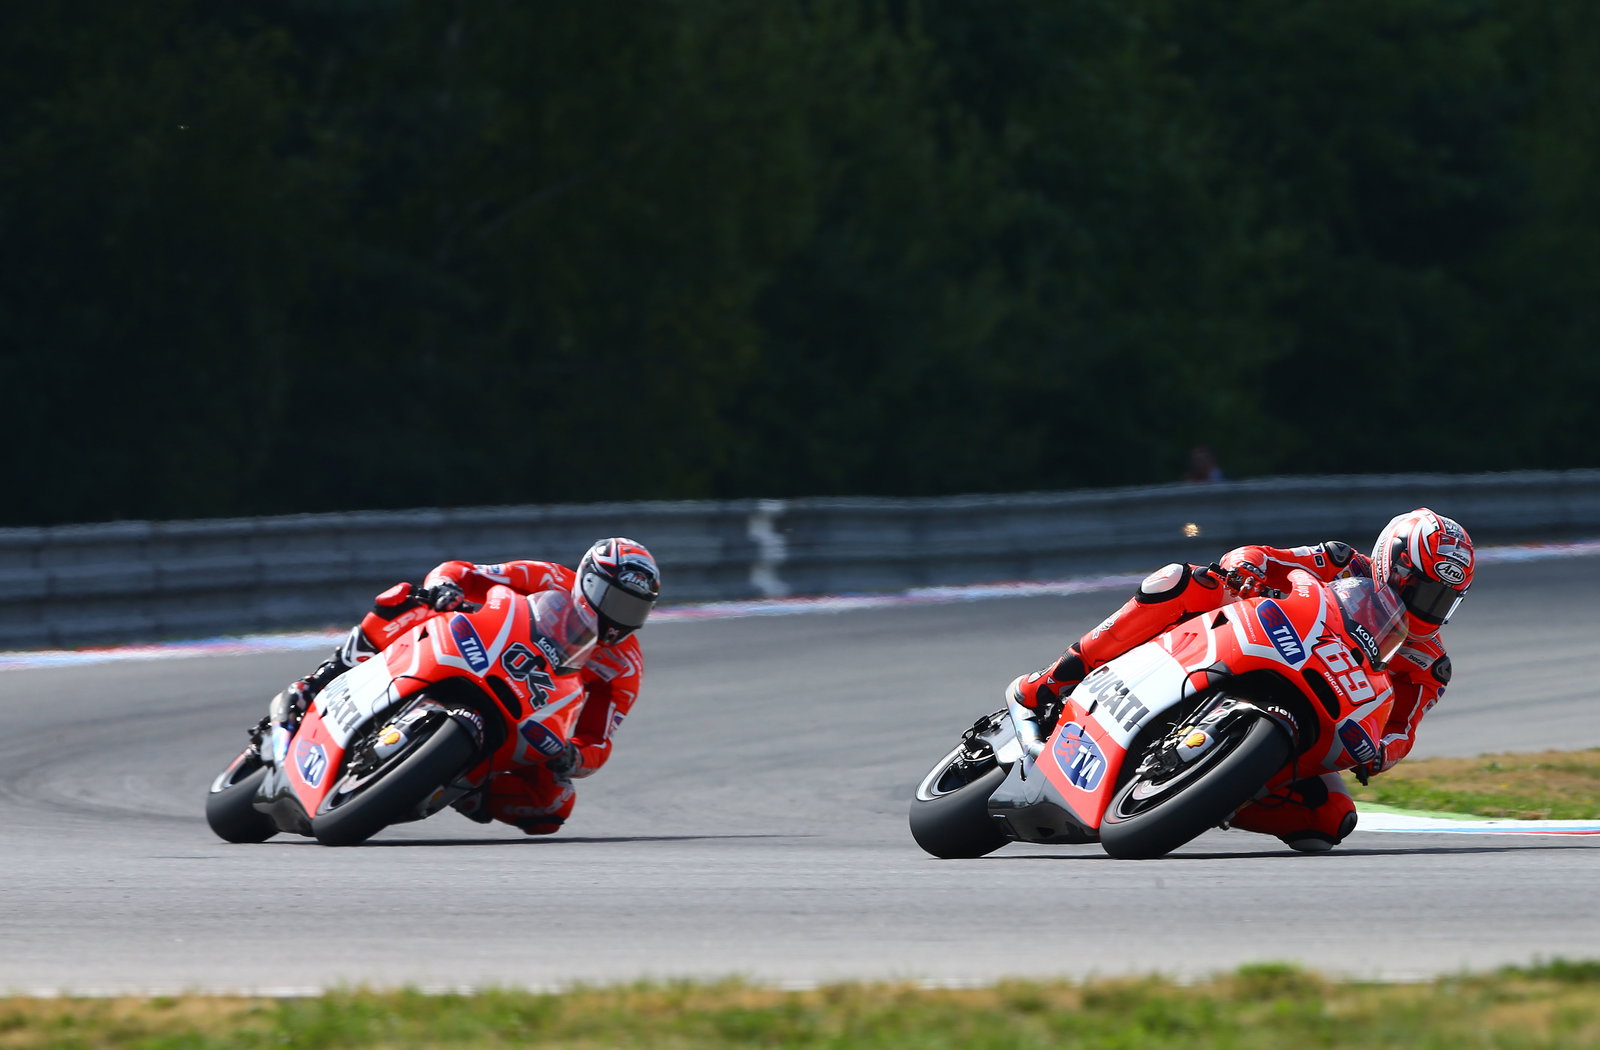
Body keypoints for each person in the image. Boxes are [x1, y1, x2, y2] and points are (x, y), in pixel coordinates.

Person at [1010, 508, 1473, 852]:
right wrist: (1245, 567)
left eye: (1442, 600)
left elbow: (1402, 730)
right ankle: (1053, 681)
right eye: (1421, 590)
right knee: (1182, 581)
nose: (1426, 608)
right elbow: (1264, 557)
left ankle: (1209, 794)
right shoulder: (1338, 562)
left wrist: (1381, 753)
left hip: (1317, 712)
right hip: (1249, 641)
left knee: (1329, 821)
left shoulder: (1429, 664)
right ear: (1391, 563)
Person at [263, 537, 661, 835]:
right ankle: (324, 677)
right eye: (616, 601)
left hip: (530, 705)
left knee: (554, 804)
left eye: (634, 610)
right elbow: (467, 572)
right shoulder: (548, 577)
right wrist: (445, 588)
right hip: (481, 648)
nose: (619, 620)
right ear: (589, 582)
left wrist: (574, 758)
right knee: (409, 600)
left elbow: (599, 738)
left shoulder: (625, 666)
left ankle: (466, 789)